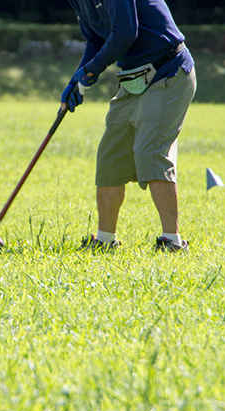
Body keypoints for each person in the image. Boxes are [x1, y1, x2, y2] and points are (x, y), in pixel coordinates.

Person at [61, 0, 196, 252]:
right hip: (133, 80)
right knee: (111, 155)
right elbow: (95, 40)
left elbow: (125, 32)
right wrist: (77, 78)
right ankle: (104, 239)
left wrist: (91, 71)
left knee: (150, 152)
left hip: (168, 70)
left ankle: (172, 241)